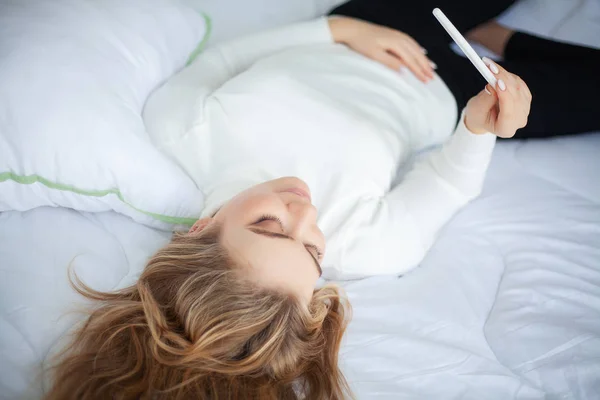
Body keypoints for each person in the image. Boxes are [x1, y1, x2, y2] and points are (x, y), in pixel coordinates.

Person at [46, 0, 557, 397]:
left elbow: (224, 58)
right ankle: (497, 39)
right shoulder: (368, 247)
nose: (306, 211)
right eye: (313, 250)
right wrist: (480, 125)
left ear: (202, 226)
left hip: (367, 29)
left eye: (267, 224)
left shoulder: (182, 131)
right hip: (444, 89)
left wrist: (340, 32)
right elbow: (449, 183)